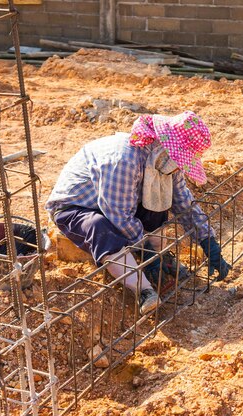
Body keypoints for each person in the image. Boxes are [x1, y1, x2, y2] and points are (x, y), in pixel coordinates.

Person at [45, 111, 231, 315]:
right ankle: (144, 291)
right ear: (165, 147)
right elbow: (118, 215)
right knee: (100, 228)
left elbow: (184, 203)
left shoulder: (163, 162)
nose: (180, 167)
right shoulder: (124, 159)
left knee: (159, 198)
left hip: (114, 203)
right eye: (180, 160)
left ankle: (161, 260)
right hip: (77, 207)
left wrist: (208, 241)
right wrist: (147, 252)